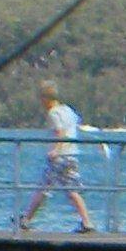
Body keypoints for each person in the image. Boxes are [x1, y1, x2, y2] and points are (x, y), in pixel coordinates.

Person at [15, 82, 93, 232]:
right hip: (72, 154)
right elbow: (74, 125)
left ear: (46, 98)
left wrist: (55, 150)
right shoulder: (68, 110)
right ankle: (87, 222)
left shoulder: (54, 113)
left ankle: (26, 220)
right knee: (68, 189)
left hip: (60, 157)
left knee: (44, 187)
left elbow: (60, 132)